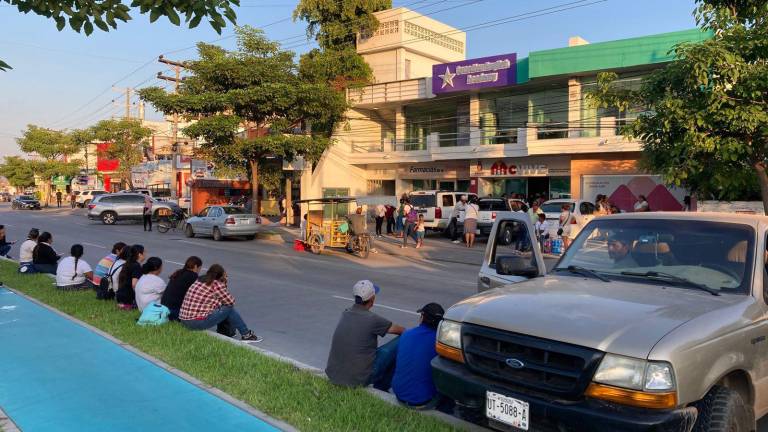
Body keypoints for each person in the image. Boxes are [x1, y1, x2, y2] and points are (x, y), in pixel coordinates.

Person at [325, 280, 405, 390]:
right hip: (359, 379)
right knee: (402, 340)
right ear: (372, 299)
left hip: (333, 374)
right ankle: (382, 386)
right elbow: (402, 331)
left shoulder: (346, 313)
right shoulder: (373, 319)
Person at [179, 264, 262, 341]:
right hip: (195, 323)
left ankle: (229, 332)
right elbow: (230, 301)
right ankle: (246, 334)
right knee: (228, 308)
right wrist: (224, 282)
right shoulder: (216, 284)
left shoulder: (200, 280)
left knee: (221, 306)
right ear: (220, 276)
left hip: (184, 321)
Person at [392, 303, 445, 408]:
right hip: (423, 400)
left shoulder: (407, 334)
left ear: (422, 318)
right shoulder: (441, 342)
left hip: (399, 393)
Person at [161, 256, 202, 320]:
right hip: (174, 309)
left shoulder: (179, 272)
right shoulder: (193, 276)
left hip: (164, 304)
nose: (199, 270)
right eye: (199, 268)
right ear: (196, 266)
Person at [116, 244, 146, 310]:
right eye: (144, 252)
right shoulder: (136, 266)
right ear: (139, 255)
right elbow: (134, 284)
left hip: (121, 296)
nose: (145, 254)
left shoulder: (128, 263)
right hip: (128, 298)